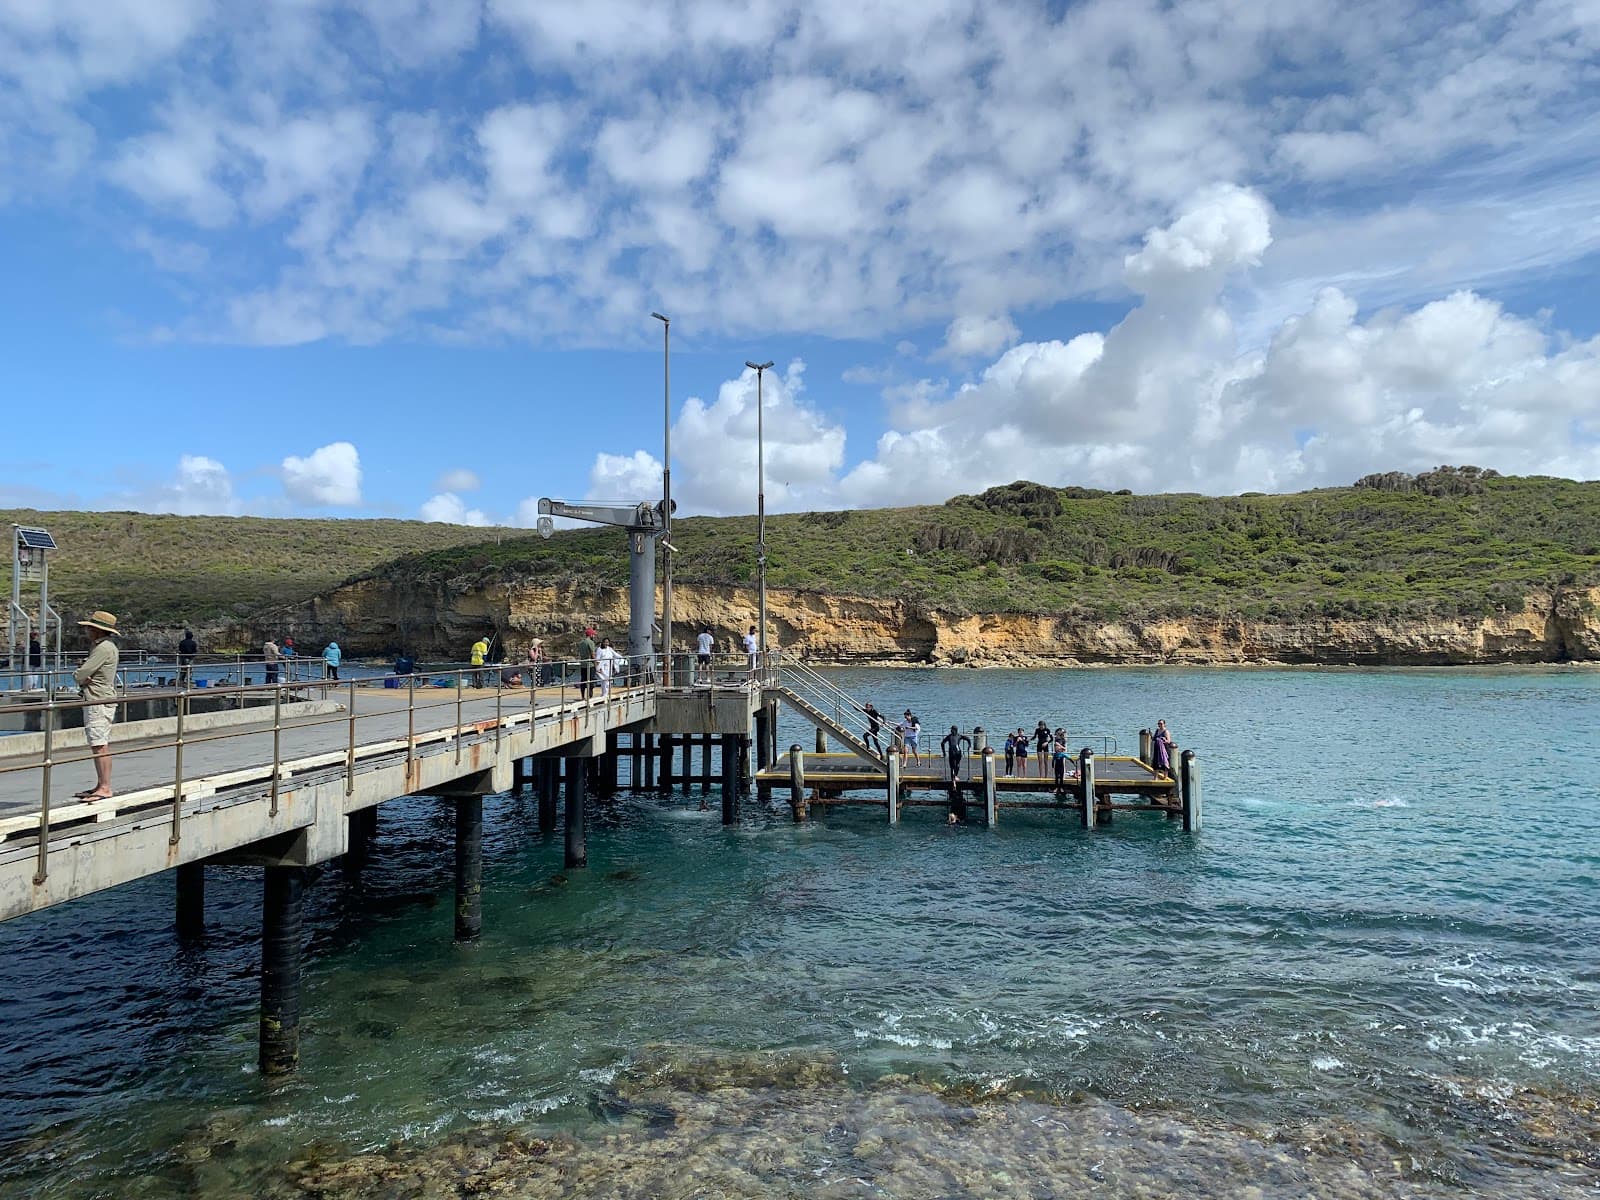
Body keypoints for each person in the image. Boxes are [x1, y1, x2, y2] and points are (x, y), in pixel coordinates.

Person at [71, 611, 121, 802]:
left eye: (90, 628)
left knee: (99, 744)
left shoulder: (103, 648)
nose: (87, 631)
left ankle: (105, 787)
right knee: (99, 744)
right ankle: (101, 784)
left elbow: (81, 673)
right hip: (100, 697)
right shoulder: (106, 647)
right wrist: (85, 675)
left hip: (98, 700)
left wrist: (81, 675)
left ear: (98, 630)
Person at [578, 627, 597, 699]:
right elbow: (592, 654)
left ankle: (582, 696)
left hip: (583, 664)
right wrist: (595, 664)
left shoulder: (581, 643)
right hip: (590, 664)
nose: (594, 636)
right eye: (593, 635)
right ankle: (590, 696)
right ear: (591, 635)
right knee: (591, 681)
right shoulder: (591, 642)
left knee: (583, 680)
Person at [1052, 728, 1071, 793]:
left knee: (1063, 766)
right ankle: (1057, 787)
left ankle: (1062, 785)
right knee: (1057, 775)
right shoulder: (1056, 740)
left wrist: (1060, 746)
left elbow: (1064, 748)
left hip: (1062, 755)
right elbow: (1055, 747)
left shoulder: (1063, 740)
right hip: (1057, 757)